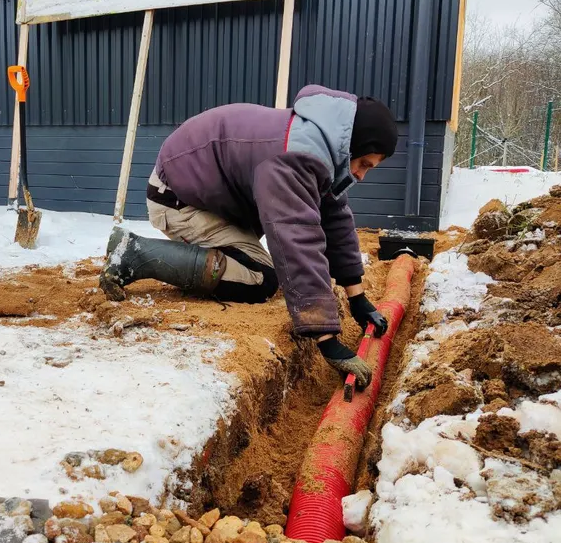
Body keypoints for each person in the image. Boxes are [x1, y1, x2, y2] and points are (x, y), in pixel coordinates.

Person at [99, 85, 398, 389]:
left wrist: (357, 298)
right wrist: (326, 339)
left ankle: (151, 252)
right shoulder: (295, 157)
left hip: (207, 194)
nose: (361, 175)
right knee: (260, 278)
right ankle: (136, 253)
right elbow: (297, 239)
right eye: (363, 165)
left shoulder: (319, 141)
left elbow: (334, 218)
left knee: (261, 269)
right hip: (177, 198)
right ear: (352, 145)